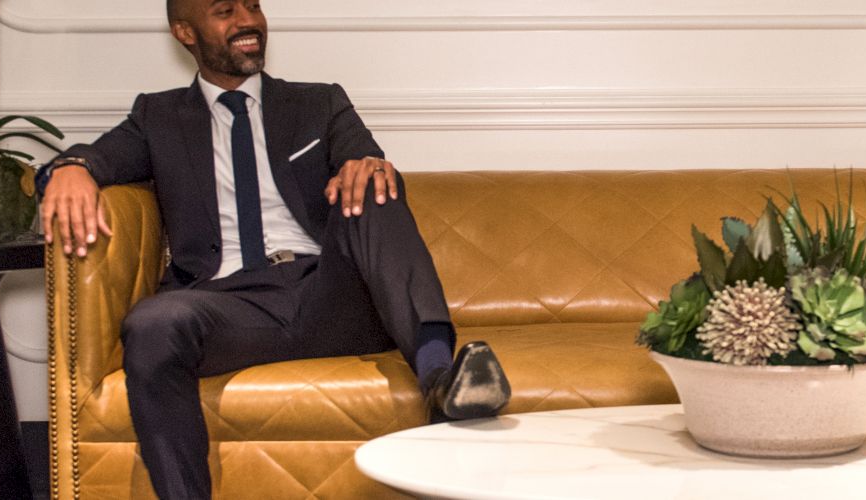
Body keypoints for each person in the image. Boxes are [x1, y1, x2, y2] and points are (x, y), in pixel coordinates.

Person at [34, 0, 511, 497]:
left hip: (329, 297)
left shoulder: (319, 102)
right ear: (185, 32)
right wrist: (70, 169)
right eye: (224, 11)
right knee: (151, 324)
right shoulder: (158, 115)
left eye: (253, 6)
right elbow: (97, 156)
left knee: (373, 180)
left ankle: (440, 377)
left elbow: (365, 160)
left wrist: (364, 164)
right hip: (231, 309)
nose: (247, 21)